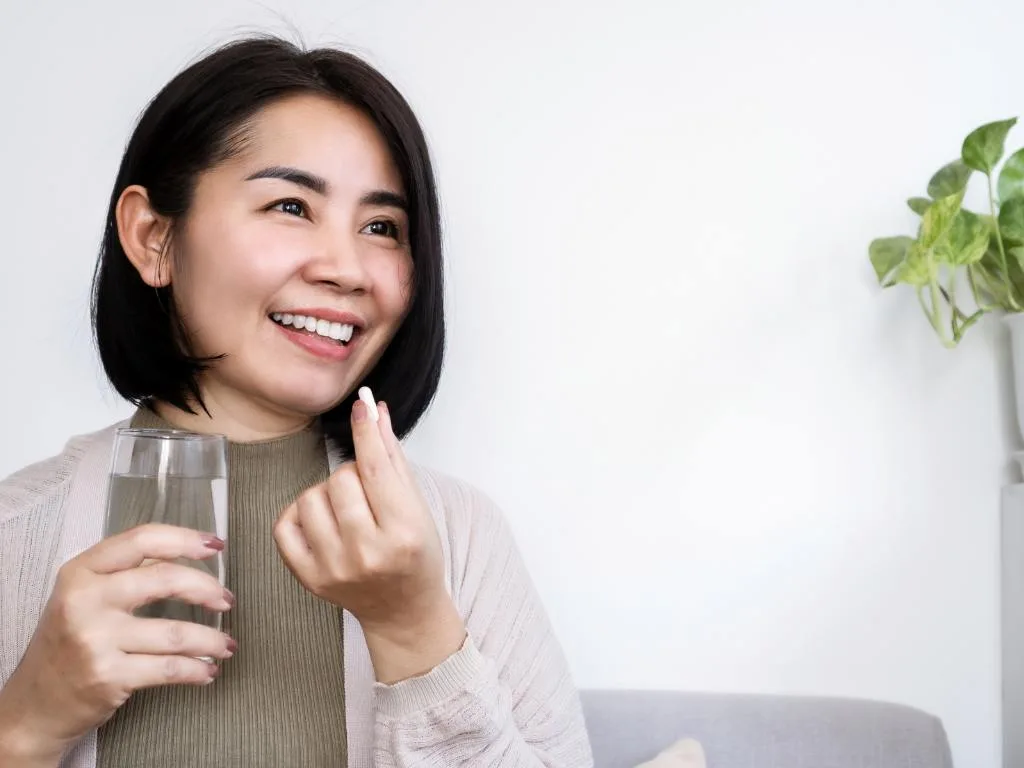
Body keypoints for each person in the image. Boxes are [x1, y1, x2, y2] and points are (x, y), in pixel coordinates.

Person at [0, 35, 594, 768]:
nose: (346, 269)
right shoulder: (15, 532)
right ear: (153, 236)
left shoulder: (462, 538)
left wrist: (415, 632)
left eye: (382, 227)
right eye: (290, 205)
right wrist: (25, 725)